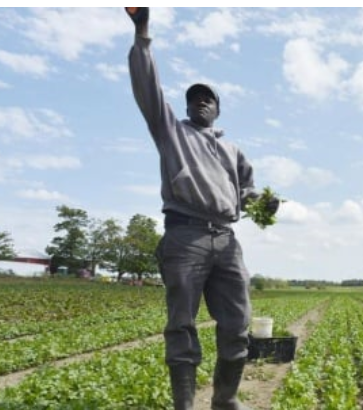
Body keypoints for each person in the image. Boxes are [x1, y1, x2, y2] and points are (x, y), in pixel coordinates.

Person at [127, 8, 278, 410]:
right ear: (187, 106)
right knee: (181, 324)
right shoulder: (172, 132)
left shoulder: (232, 149)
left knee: (237, 323)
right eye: (194, 98)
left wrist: (266, 202)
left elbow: (248, 192)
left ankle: (225, 401)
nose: (200, 102)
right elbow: (148, 88)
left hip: (227, 240)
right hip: (185, 236)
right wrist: (143, 32)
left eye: (208, 99)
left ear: (217, 110)